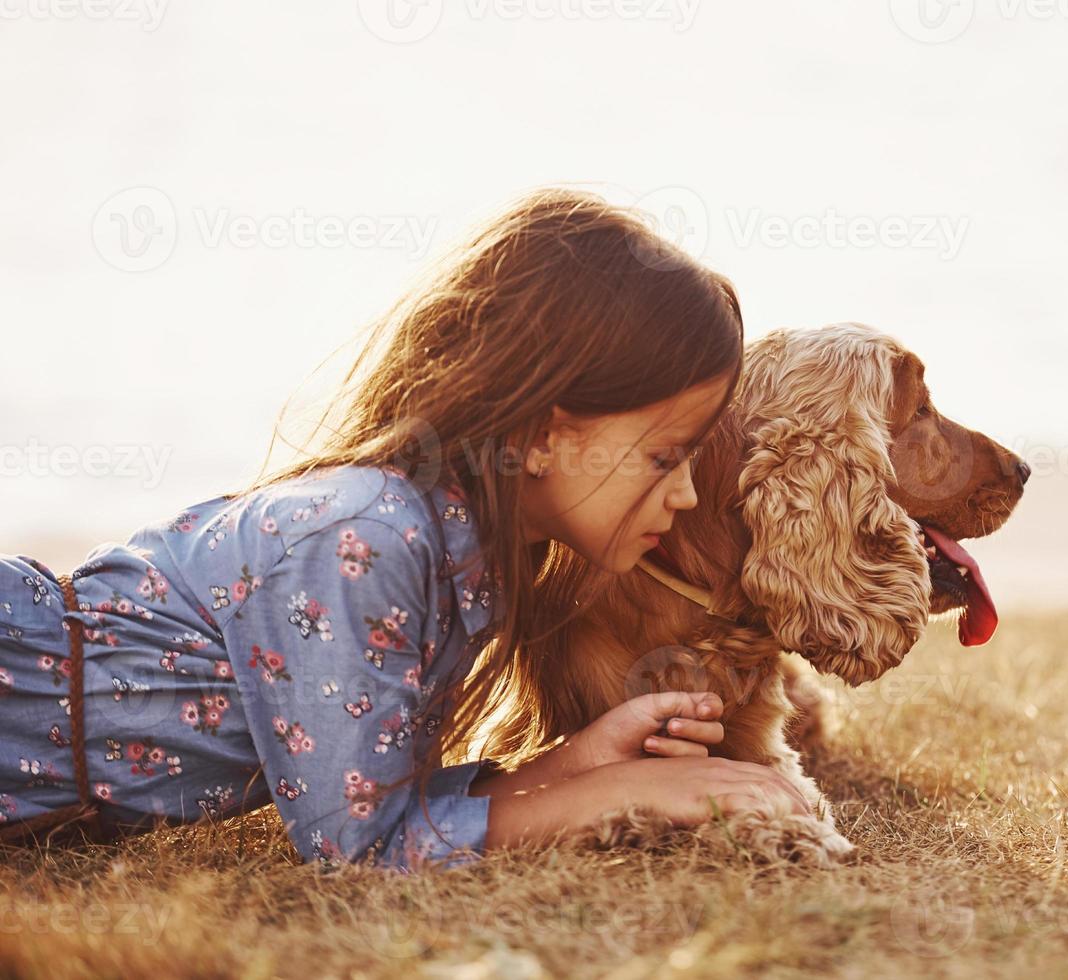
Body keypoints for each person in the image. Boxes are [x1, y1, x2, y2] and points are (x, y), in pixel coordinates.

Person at [0, 188, 812, 871]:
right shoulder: (367, 537)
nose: (681, 497)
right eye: (666, 456)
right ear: (545, 434)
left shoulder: (477, 564)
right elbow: (361, 850)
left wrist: (579, 760)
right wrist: (624, 793)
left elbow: (377, 799)